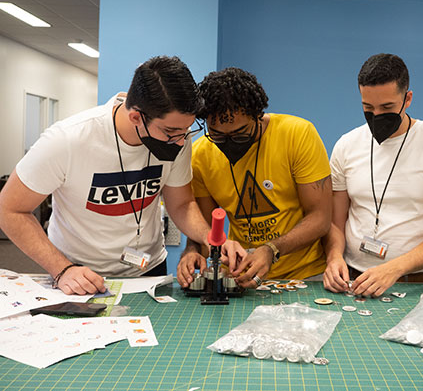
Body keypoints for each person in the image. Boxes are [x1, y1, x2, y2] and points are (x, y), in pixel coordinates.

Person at [0, 56, 243, 295]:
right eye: (171, 132)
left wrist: (209, 238)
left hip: (148, 267)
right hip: (78, 272)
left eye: (186, 130)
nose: (181, 141)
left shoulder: (178, 137)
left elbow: (181, 203)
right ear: (136, 117)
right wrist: (62, 269)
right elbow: (9, 209)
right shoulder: (68, 140)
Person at [323, 53, 423, 297]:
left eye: (387, 107)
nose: (377, 115)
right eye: (368, 107)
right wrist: (334, 257)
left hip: (417, 281)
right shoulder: (346, 145)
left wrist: (394, 269)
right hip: (353, 277)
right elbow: (336, 222)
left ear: (407, 98)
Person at [177, 67, 332, 289]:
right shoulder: (200, 154)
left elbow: (320, 218)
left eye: (240, 134)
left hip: (303, 276)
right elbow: (206, 228)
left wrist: (272, 249)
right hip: (240, 278)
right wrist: (192, 252)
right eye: (218, 135)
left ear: (258, 115)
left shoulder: (298, 134)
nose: (228, 143)